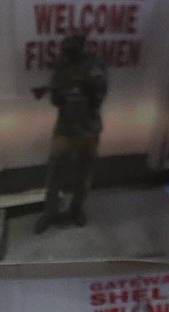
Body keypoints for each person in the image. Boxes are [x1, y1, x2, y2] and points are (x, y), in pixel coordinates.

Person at [32, 31, 107, 235]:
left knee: (84, 174)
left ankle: (77, 209)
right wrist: (59, 93)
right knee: (55, 174)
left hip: (88, 129)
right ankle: (50, 213)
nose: (68, 54)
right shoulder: (62, 67)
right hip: (65, 129)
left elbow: (99, 95)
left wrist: (84, 86)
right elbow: (55, 100)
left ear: (82, 47)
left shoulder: (96, 66)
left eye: (72, 50)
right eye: (66, 51)